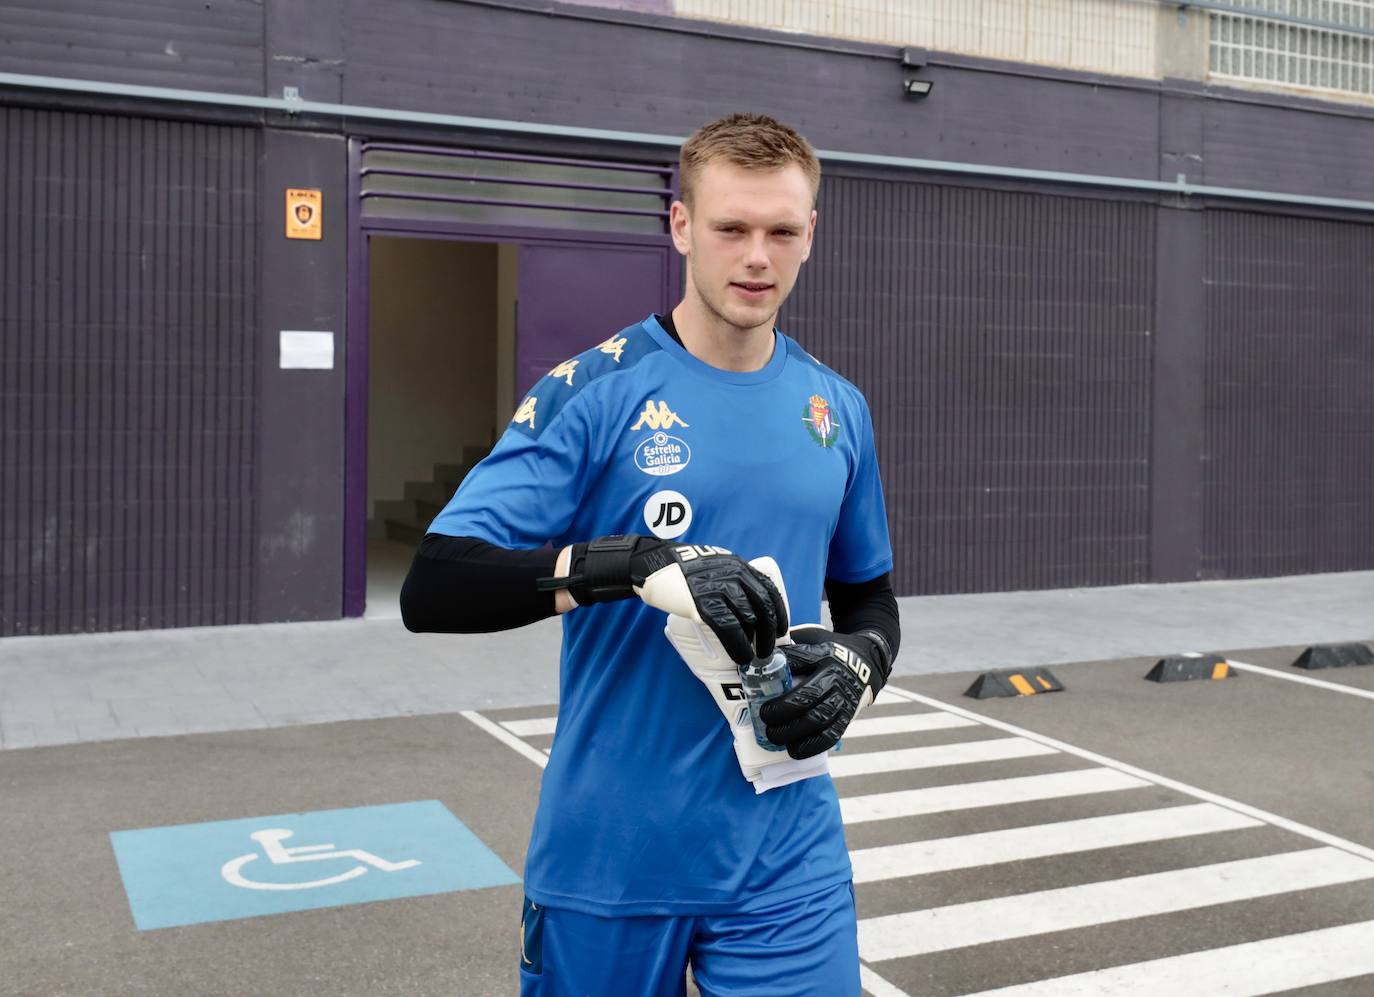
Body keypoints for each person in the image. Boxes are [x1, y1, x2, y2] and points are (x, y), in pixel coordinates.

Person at [401, 112, 900, 996]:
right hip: (612, 858)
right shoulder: (595, 391)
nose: (757, 256)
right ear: (680, 227)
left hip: (787, 853)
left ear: (811, 235)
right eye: (730, 228)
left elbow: (870, 598)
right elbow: (435, 584)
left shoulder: (837, 410)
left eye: (782, 231)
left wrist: (859, 666)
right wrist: (625, 565)